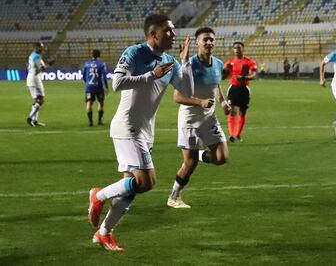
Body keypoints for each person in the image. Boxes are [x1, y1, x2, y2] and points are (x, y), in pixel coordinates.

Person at [87, 14, 193, 252]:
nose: (173, 35)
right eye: (168, 31)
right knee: (146, 181)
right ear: (153, 34)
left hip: (146, 131)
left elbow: (185, 91)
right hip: (128, 126)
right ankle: (98, 195)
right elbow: (117, 83)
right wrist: (150, 75)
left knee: (130, 188)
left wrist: (184, 64)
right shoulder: (135, 53)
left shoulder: (170, 62)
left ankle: (104, 233)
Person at [167, 27, 231, 208]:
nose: (209, 42)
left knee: (221, 157)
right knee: (190, 164)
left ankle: (202, 155)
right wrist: (199, 102)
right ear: (197, 43)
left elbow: (216, 84)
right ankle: (173, 197)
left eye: (211, 39)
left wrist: (223, 102)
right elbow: (177, 97)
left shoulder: (218, 63)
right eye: (205, 40)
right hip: (190, 119)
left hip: (209, 118)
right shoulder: (189, 65)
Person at [223, 41, 257, 143]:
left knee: (242, 112)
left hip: (244, 89)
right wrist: (224, 71)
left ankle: (238, 134)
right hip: (233, 88)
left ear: (243, 49)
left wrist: (243, 77)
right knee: (231, 111)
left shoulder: (249, 62)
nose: (237, 50)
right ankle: (232, 134)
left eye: (239, 48)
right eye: (235, 48)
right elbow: (223, 76)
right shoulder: (230, 62)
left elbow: (254, 75)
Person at [82, 49, 109, 126]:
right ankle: (99, 121)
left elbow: (83, 76)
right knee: (101, 103)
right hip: (99, 87)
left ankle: (90, 122)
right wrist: (106, 87)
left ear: (92, 55)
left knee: (89, 103)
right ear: (99, 55)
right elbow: (104, 77)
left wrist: (87, 83)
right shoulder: (102, 64)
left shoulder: (87, 64)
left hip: (89, 87)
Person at [26, 42, 49, 127]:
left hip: (32, 79)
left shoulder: (33, 55)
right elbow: (40, 69)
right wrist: (49, 64)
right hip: (34, 79)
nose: (43, 49)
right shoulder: (36, 56)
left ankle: (35, 121)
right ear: (38, 48)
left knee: (38, 100)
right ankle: (30, 117)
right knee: (41, 100)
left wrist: (45, 66)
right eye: (42, 47)